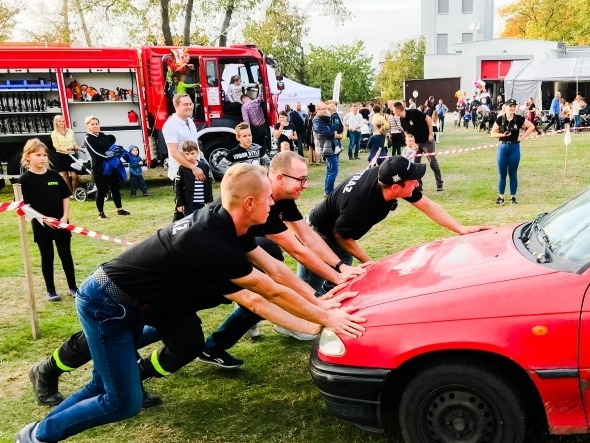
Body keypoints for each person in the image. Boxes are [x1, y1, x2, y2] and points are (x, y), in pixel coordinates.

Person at [11, 163, 367, 443]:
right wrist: (322, 321)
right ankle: (38, 437)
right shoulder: (210, 240)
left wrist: (320, 304)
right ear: (249, 202)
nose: (274, 204)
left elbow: (276, 272)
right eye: (269, 198)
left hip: (132, 303)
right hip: (107, 303)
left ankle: (33, 440)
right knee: (123, 401)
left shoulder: (230, 222)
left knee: (107, 386)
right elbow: (262, 296)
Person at [202, 151, 370, 362]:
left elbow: (307, 235)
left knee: (259, 299)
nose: (305, 185)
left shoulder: (282, 198)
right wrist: (330, 286)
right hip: (219, 256)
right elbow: (296, 249)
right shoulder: (263, 199)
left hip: (244, 252)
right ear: (279, 178)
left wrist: (339, 267)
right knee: (186, 312)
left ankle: (212, 347)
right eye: (301, 179)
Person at [297, 156, 491, 293]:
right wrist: (370, 263)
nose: (417, 183)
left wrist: (460, 228)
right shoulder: (360, 205)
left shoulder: (389, 177)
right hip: (317, 234)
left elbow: (427, 205)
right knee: (310, 287)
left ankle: (325, 311)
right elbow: (340, 235)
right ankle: (294, 326)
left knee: (341, 281)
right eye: (413, 180)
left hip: (341, 231)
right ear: (396, 188)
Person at [18, 139, 78, 302]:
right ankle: (51, 290)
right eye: (38, 155)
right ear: (28, 156)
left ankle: (73, 287)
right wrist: (43, 219)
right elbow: (24, 206)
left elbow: (65, 196)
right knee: (47, 256)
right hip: (41, 225)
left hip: (61, 223)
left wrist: (64, 217)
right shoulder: (25, 180)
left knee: (66, 254)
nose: (43, 158)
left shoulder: (54, 176)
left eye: (45, 155)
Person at [490, 99, 536, 205]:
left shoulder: (519, 119)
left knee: (513, 173)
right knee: (502, 174)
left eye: (514, 106)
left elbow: (531, 126)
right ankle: (501, 197)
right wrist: (503, 135)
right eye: (510, 106)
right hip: (502, 147)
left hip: (514, 147)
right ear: (505, 107)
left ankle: (513, 197)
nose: (512, 108)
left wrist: (522, 137)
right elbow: (492, 134)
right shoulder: (500, 119)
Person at [83, 116, 129, 219]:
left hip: (111, 167)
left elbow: (114, 147)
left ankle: (120, 210)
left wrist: (119, 152)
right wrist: (110, 155)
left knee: (115, 188)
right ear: (88, 126)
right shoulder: (88, 138)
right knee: (101, 190)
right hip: (99, 169)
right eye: (92, 124)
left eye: (96, 123)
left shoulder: (104, 136)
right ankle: (101, 213)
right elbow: (95, 153)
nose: (95, 126)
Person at [392, 101, 444, 192]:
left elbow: (428, 119)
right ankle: (418, 186)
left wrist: (431, 134)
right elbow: (406, 132)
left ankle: (439, 183)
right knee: (415, 164)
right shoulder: (401, 119)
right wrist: (410, 141)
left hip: (427, 142)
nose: (392, 112)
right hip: (416, 144)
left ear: (398, 110)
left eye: (393, 111)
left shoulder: (414, 113)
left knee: (433, 162)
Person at [162, 93, 203, 195]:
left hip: (195, 168)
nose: (189, 107)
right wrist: (192, 167)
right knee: (185, 206)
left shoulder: (190, 121)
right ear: (176, 105)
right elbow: (174, 152)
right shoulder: (170, 125)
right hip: (181, 171)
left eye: (190, 104)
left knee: (198, 202)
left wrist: (198, 164)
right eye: (185, 104)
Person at [312, 100, 343, 196]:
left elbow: (336, 128)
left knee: (331, 170)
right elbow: (327, 133)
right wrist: (338, 136)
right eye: (324, 108)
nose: (326, 110)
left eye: (326, 108)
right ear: (317, 110)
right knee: (333, 170)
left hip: (331, 147)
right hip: (326, 148)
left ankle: (328, 191)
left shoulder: (326, 118)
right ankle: (329, 192)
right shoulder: (316, 121)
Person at [174, 140, 212, 217]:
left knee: (202, 222)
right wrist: (180, 203)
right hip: (189, 203)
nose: (190, 156)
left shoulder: (204, 166)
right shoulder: (182, 168)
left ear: (197, 152)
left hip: (202, 202)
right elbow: (178, 187)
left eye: (192, 153)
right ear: (183, 154)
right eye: (187, 154)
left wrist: (209, 199)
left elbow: (208, 184)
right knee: (190, 223)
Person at [50, 115, 84, 194]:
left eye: (63, 121)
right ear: (56, 123)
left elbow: (74, 143)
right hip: (61, 155)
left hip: (72, 155)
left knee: (74, 176)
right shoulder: (54, 134)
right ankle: (69, 192)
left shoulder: (70, 131)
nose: (62, 123)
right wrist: (64, 149)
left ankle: (75, 192)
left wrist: (78, 148)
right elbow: (56, 146)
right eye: (59, 121)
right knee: (65, 176)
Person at [241, 83, 270, 152]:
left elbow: (246, 120)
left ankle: (259, 156)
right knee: (263, 141)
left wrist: (247, 130)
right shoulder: (256, 101)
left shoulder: (244, 107)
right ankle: (265, 153)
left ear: (243, 99)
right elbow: (260, 96)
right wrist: (260, 88)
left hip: (255, 128)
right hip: (263, 126)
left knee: (255, 142)